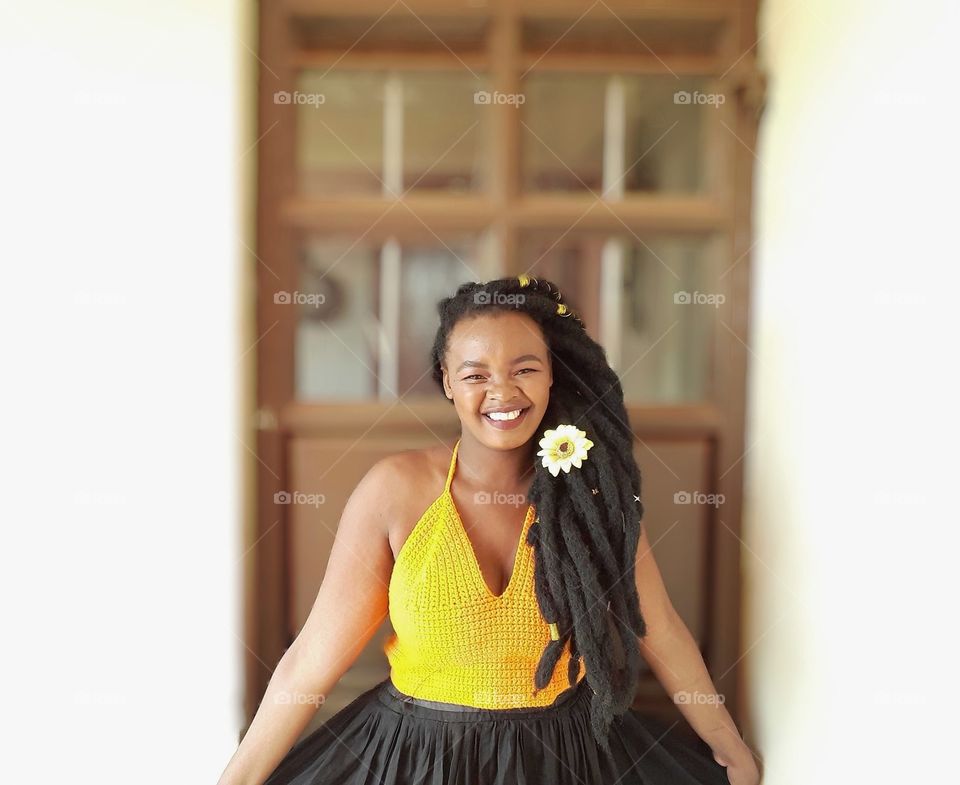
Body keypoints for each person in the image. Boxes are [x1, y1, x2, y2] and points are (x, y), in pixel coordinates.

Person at [217, 275, 761, 785]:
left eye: (525, 368)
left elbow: (659, 628)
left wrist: (728, 746)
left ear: (554, 375)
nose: (502, 391)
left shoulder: (594, 495)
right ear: (448, 383)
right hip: (416, 755)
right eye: (476, 374)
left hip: (566, 756)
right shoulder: (394, 490)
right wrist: (236, 779)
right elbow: (312, 658)